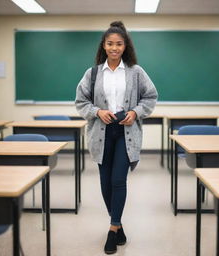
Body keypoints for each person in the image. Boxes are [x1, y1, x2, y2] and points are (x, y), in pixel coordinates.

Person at [75, 21, 158, 254]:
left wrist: (135, 112)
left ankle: (112, 230)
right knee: (105, 183)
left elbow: (150, 97)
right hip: (101, 133)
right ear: (103, 45)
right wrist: (97, 112)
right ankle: (119, 225)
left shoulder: (136, 71)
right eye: (110, 43)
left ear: (125, 46)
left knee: (118, 180)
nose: (114, 48)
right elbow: (81, 102)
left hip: (126, 132)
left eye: (118, 44)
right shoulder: (92, 73)